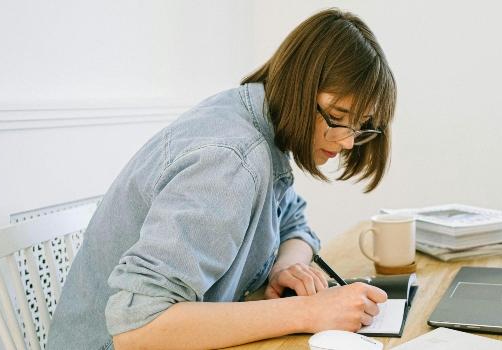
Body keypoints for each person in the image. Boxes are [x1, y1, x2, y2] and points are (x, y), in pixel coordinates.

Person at [47, 7, 396, 350]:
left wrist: (286, 268)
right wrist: (307, 311)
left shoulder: (260, 124)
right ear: (300, 85)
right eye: (338, 117)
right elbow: (138, 328)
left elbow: (295, 223)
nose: (349, 141)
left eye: (360, 125)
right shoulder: (232, 159)